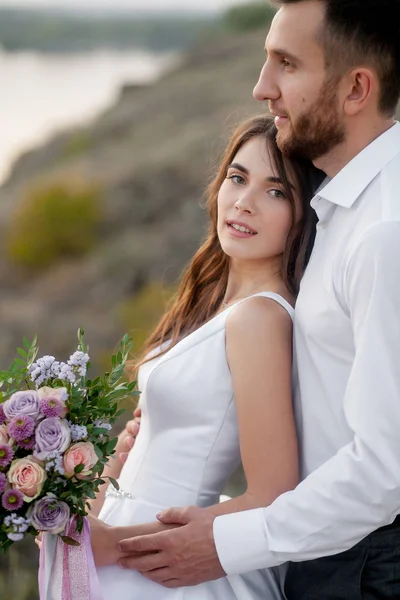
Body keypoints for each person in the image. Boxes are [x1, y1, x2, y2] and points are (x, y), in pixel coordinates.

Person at [116, 1, 400, 599]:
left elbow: (384, 468)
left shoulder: (382, 232)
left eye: (286, 65)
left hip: (363, 562)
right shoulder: (338, 213)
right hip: (317, 548)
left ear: (356, 88)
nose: (261, 87)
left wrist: (222, 544)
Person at [84, 114, 323, 599]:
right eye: (237, 178)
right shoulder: (220, 304)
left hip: (161, 559)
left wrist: (119, 545)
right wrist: (94, 489)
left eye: (276, 192)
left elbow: (272, 494)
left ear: (305, 215)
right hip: (122, 530)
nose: (244, 203)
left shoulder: (259, 318)